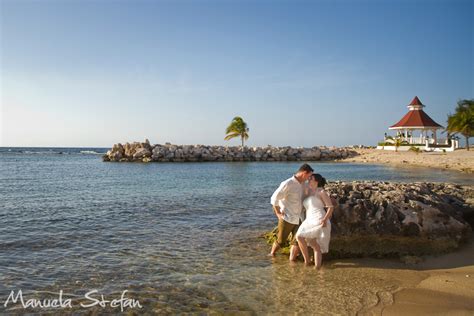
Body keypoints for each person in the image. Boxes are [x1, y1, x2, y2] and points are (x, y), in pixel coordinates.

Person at [269, 163, 314, 260]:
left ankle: (291, 261)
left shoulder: (304, 184)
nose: (308, 179)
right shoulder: (288, 183)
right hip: (287, 217)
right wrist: (278, 213)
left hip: (300, 217)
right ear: (304, 173)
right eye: (308, 176)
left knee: (297, 240)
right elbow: (274, 199)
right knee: (281, 241)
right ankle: (272, 255)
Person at [295, 173, 334, 268]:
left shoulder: (321, 192)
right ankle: (307, 261)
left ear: (316, 181)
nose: (309, 180)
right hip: (309, 219)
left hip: (319, 218)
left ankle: (317, 267)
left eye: (311, 178)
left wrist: (325, 220)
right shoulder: (307, 192)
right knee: (300, 237)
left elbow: (330, 207)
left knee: (315, 245)